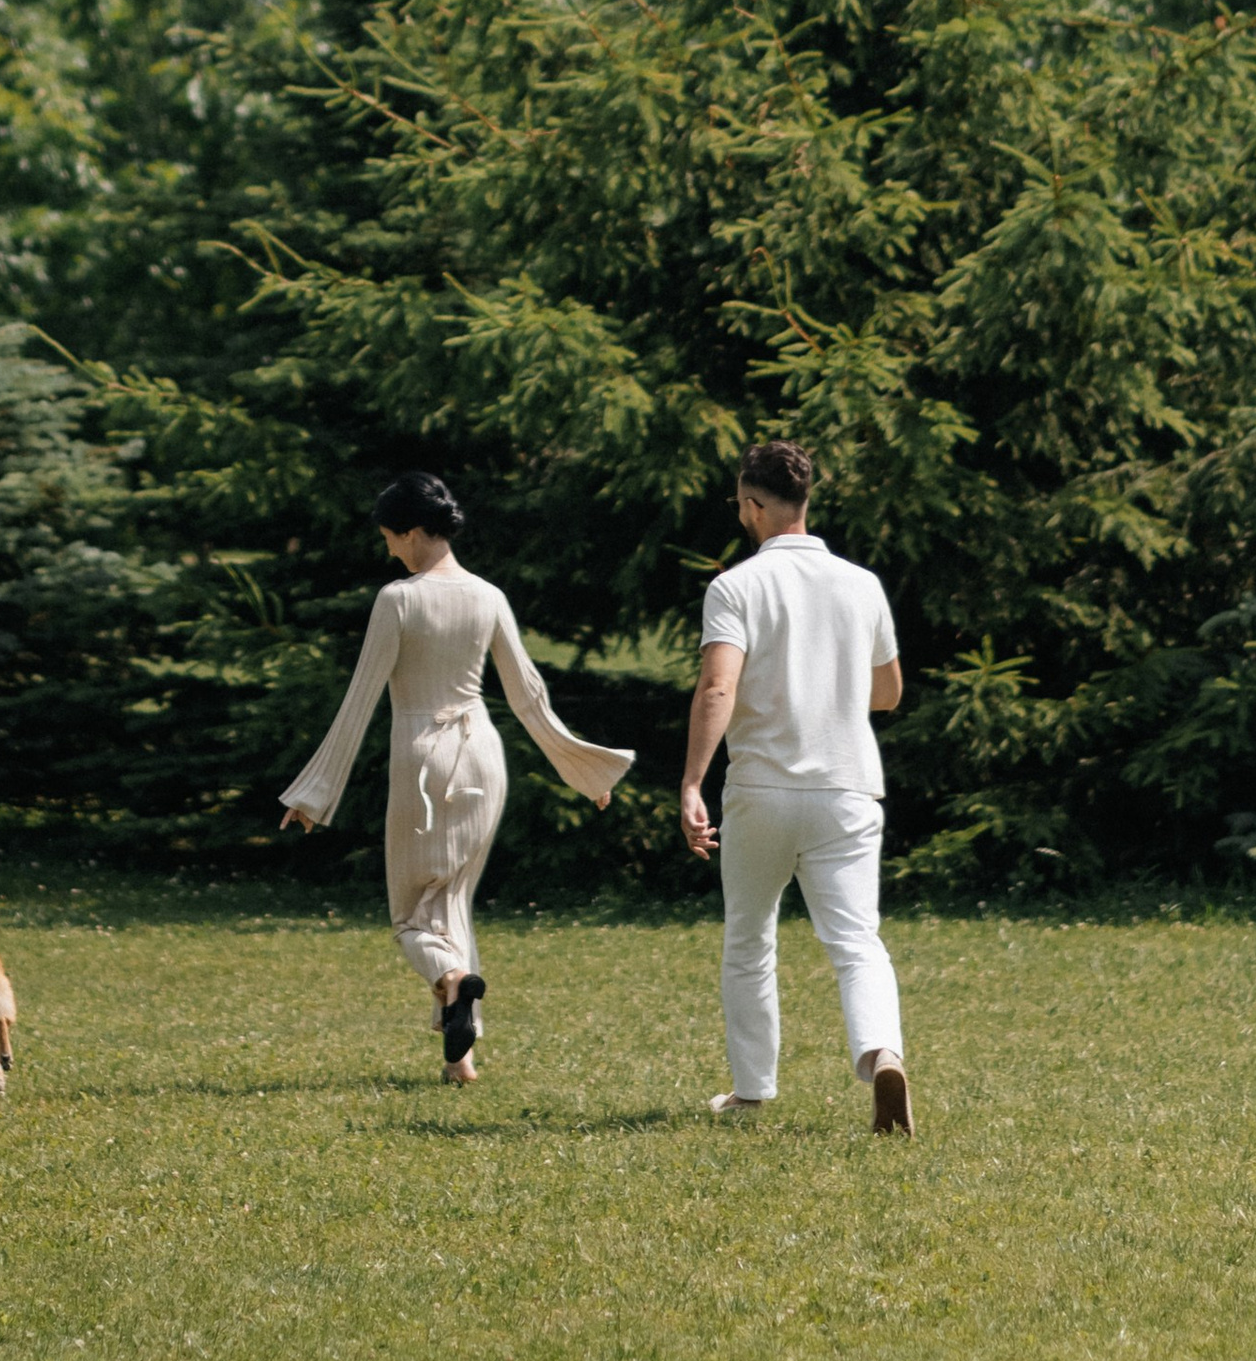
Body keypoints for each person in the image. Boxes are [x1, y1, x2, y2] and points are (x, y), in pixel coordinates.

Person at [279, 472, 635, 1081]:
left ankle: (450, 978)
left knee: (412, 918)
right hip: (482, 755)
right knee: (453, 904)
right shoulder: (488, 595)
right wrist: (586, 770)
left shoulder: (398, 599)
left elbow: (360, 698)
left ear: (413, 532)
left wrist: (313, 793)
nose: (388, 548)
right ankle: (460, 1060)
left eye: (390, 536)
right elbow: (529, 696)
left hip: (422, 757)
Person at [679, 438, 912, 1135]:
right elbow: (888, 693)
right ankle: (882, 1053)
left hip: (763, 788)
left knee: (750, 940)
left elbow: (717, 686)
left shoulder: (735, 587)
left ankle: (752, 1091)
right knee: (857, 940)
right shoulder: (862, 584)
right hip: (848, 787)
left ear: (753, 505)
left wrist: (692, 780)